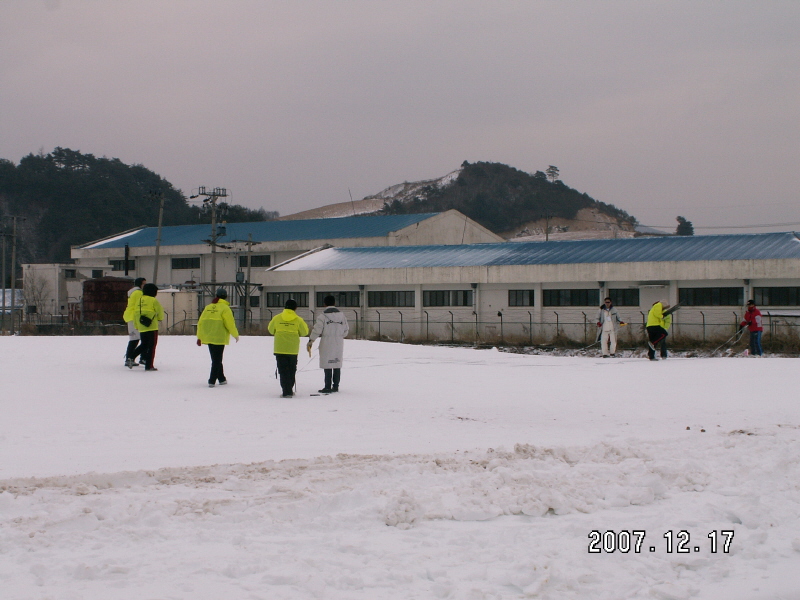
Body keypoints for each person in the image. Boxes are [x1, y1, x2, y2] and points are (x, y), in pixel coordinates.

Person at [197, 288, 240, 387]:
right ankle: (212, 380)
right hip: (219, 337)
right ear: (226, 297)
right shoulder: (225, 308)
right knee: (217, 360)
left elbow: (200, 322)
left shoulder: (208, 307)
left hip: (208, 337)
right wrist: (235, 335)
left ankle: (221, 378)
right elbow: (230, 324)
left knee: (215, 359)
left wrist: (199, 337)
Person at [307, 295, 350, 393]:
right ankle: (335, 386)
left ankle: (327, 386)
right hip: (339, 342)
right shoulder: (342, 316)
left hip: (326, 342)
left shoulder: (322, 316)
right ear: (334, 303)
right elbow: (346, 330)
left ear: (324, 304)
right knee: (336, 363)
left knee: (327, 363)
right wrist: (339, 335)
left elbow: (317, 330)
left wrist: (311, 340)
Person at [267, 299, 309, 398]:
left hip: (279, 348)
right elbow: (305, 332)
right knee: (291, 369)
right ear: (295, 308)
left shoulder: (277, 318)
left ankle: (286, 390)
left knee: (282, 370)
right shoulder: (298, 320)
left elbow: (270, 329)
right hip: (292, 349)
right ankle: (289, 388)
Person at [134, 283, 164, 371]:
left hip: (141, 326)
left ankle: (131, 356)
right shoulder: (153, 300)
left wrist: (136, 325)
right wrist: (159, 318)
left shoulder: (139, 300)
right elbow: (160, 311)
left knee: (144, 344)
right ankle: (149, 365)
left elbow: (135, 313)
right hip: (152, 327)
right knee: (152, 346)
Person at [123, 277, 146, 368]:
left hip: (130, 316)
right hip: (135, 318)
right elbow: (140, 306)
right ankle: (139, 358)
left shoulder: (132, 292)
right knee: (142, 339)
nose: (145, 285)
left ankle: (129, 357)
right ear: (140, 284)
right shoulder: (139, 293)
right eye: (144, 283)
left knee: (134, 338)